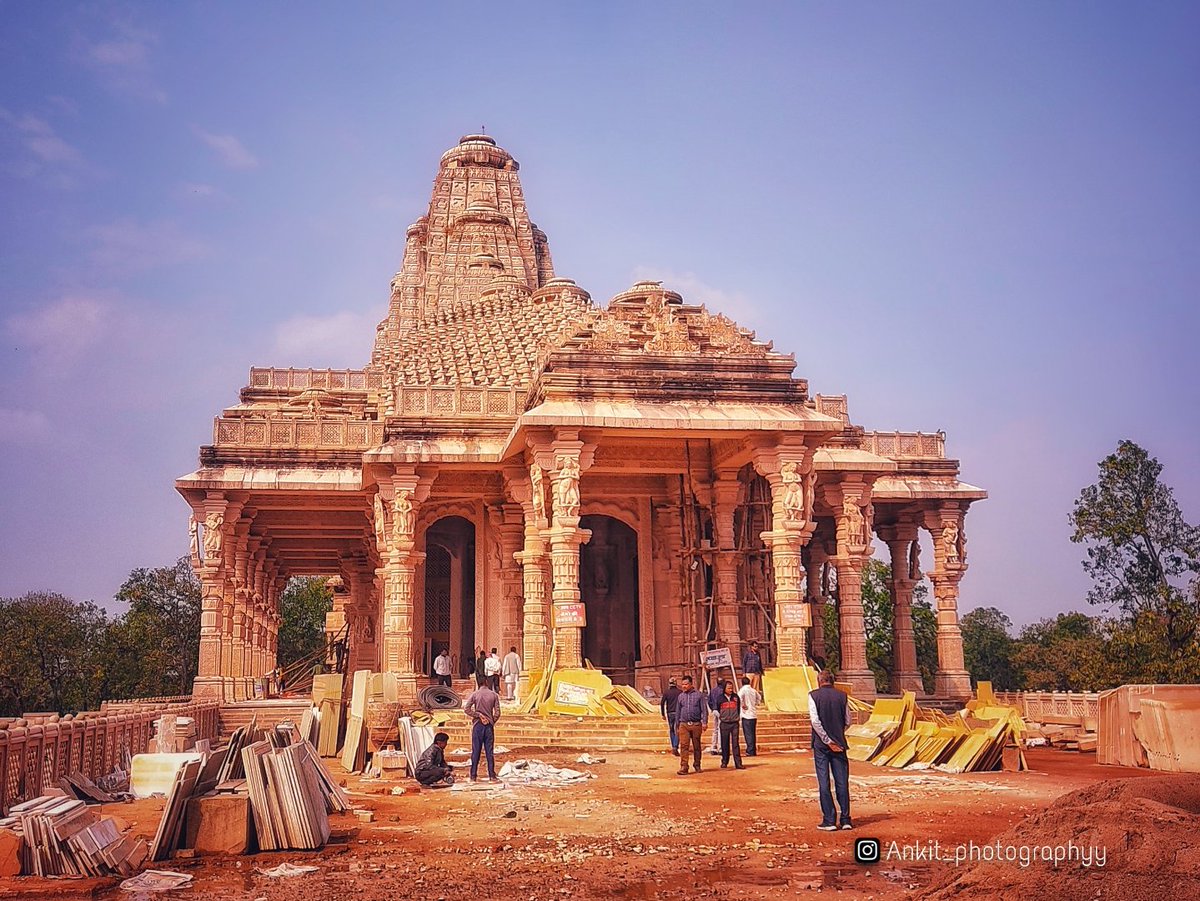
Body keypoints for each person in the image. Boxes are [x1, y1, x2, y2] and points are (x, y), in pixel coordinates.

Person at [809, 668, 852, 830]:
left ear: (819, 681)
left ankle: (829, 820)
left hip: (821, 745)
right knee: (842, 782)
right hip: (839, 743)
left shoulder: (813, 695)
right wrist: (837, 735)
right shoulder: (842, 696)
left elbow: (815, 721)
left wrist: (827, 740)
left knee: (824, 781)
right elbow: (848, 720)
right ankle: (846, 819)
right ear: (832, 681)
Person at [463, 674, 502, 782]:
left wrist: (478, 715)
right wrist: (491, 720)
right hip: (488, 726)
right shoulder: (493, 695)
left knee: (476, 751)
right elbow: (498, 712)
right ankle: (492, 775)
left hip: (477, 725)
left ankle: (473, 776)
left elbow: (467, 709)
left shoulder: (475, 695)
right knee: (489, 751)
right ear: (486, 681)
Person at [674, 675, 708, 775]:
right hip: (683, 724)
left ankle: (697, 764)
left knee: (696, 746)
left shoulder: (699, 695)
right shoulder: (680, 696)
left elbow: (704, 710)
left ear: (691, 684)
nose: (684, 686)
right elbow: (678, 711)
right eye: (682, 684)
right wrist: (677, 726)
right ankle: (684, 767)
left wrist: (704, 722)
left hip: (696, 724)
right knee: (684, 746)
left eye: (686, 684)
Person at [717, 679, 745, 769]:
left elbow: (738, 709)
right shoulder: (720, 698)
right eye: (728, 688)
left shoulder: (736, 697)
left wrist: (735, 717)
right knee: (724, 743)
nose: (730, 690)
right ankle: (724, 761)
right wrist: (722, 716)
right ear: (724, 688)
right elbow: (717, 709)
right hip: (724, 723)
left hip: (734, 724)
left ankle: (738, 763)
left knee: (735, 744)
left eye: (731, 688)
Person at [738, 675, 762, 756]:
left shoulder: (742, 690)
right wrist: (755, 703)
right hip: (753, 714)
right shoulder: (753, 690)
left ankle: (750, 750)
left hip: (746, 715)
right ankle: (753, 750)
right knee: (752, 733)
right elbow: (759, 698)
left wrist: (743, 705)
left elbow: (738, 699)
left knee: (748, 733)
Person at [660, 677, 682, 755]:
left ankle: (673, 745)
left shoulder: (666, 692)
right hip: (678, 713)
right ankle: (675, 746)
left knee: (671, 729)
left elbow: (662, 703)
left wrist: (663, 714)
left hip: (670, 713)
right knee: (678, 730)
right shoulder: (680, 692)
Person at [708, 677, 726, 754]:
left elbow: (709, 701)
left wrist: (713, 709)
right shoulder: (723, 691)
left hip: (715, 710)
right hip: (721, 711)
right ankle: (720, 747)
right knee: (721, 729)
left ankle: (713, 747)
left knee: (715, 729)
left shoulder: (712, 691)